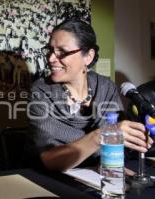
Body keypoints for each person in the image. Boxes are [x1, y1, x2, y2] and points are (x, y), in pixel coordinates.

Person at [27, 19, 153, 171]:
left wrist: (107, 164)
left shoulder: (106, 88)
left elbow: (118, 146)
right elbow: (51, 160)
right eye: (50, 50)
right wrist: (101, 136)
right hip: (49, 182)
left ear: (88, 56)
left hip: (97, 180)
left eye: (62, 52)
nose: (51, 58)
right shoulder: (40, 93)